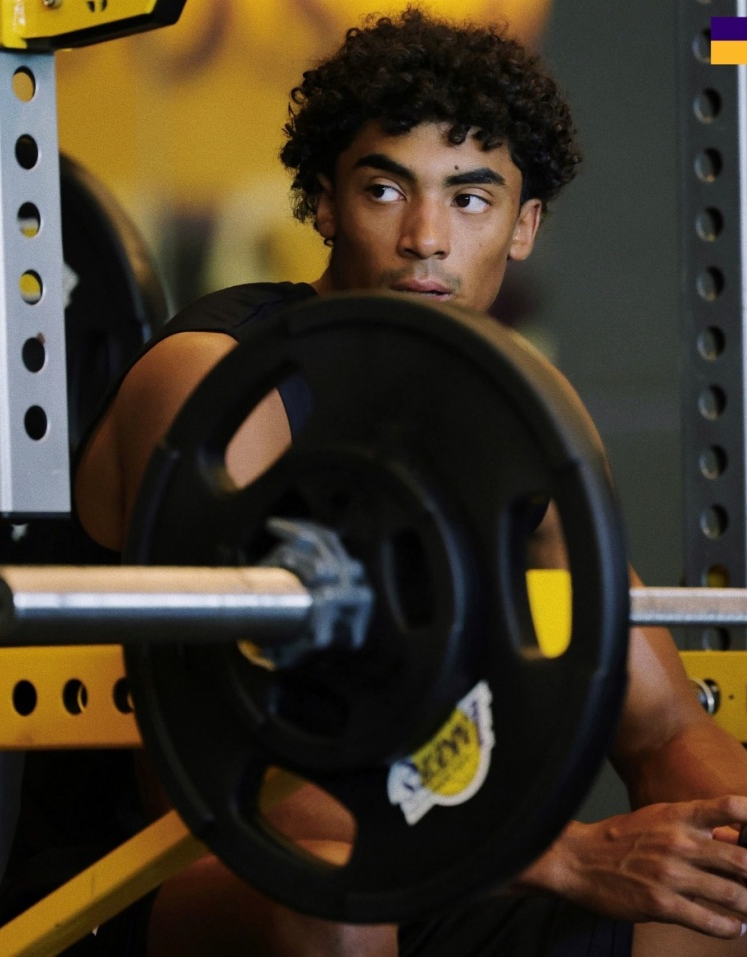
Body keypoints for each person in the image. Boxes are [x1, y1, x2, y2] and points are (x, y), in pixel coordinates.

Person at [74, 8, 747, 956]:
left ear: (523, 226)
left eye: (470, 198)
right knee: (341, 908)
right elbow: (226, 781)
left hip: (444, 871)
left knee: (716, 905)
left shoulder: (523, 412)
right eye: (386, 190)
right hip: (158, 882)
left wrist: (730, 829)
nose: (426, 238)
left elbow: (663, 726)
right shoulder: (222, 384)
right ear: (323, 205)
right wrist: (564, 854)